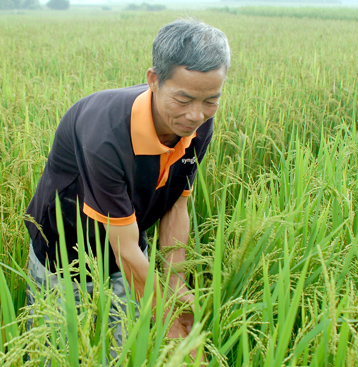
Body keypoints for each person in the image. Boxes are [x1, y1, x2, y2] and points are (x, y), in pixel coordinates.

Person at [25, 18, 230, 346]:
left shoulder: (200, 124)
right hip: (64, 255)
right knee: (58, 351)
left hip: (131, 248)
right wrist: (172, 323)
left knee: (124, 348)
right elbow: (123, 248)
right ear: (153, 80)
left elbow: (178, 205)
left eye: (210, 100)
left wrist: (176, 283)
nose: (196, 115)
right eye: (184, 99)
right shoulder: (106, 133)